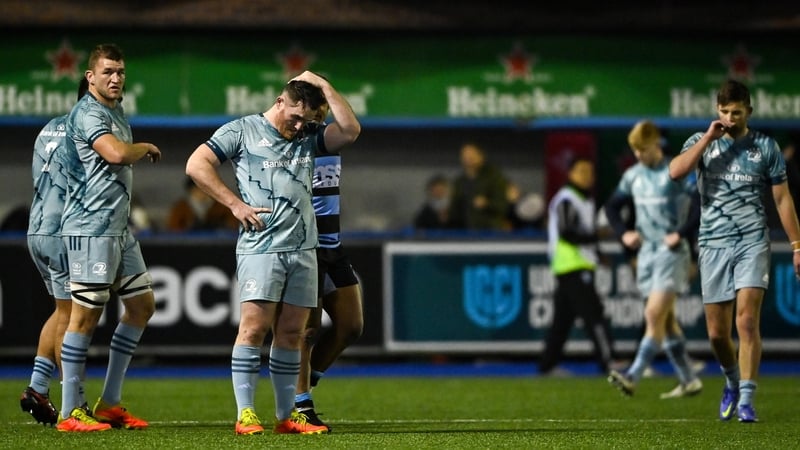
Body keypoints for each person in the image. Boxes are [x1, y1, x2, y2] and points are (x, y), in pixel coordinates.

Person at [185, 70, 360, 435]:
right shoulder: (242, 130)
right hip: (261, 246)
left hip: (304, 248)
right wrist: (234, 204)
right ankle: (246, 413)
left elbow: (350, 130)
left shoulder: (309, 135)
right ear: (280, 101)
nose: (299, 126)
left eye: (306, 119)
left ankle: (287, 416)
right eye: (295, 116)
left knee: (292, 333)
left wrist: (325, 84)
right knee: (252, 329)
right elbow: (196, 164)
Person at [669, 79, 800, 423]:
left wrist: (798, 246)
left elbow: (783, 199)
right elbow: (675, 172)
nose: (730, 117)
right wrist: (710, 138)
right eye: (725, 111)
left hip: (752, 241)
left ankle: (746, 399)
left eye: (736, 112)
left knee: (746, 320)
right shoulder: (701, 142)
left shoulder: (765, 147)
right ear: (717, 111)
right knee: (716, 334)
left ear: (749, 112)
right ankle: (731, 379)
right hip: (712, 243)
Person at [57, 43, 161, 432]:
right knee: (84, 318)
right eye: (108, 72)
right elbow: (115, 154)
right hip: (90, 228)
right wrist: (144, 147)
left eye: (120, 72)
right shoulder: (87, 113)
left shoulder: (115, 111)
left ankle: (109, 403)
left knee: (142, 306)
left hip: (118, 231)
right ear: (90, 77)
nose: (116, 79)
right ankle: (70, 412)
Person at [605, 119, 703, 399]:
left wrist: (682, 234)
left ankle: (632, 375)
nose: (639, 155)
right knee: (667, 320)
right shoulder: (633, 175)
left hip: (671, 253)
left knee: (652, 314)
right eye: (635, 150)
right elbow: (612, 207)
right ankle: (688, 378)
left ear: (656, 144)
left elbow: (698, 204)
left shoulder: (674, 171)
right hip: (647, 254)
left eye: (643, 149)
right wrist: (624, 233)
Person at [19, 78, 89, 426]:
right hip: (64, 231)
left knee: (62, 311)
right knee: (73, 316)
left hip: (37, 226)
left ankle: (37, 387)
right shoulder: (87, 131)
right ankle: (72, 403)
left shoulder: (49, 127)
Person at [295, 103, 364, 432]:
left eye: (324, 104)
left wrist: (324, 89)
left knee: (350, 325)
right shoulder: (292, 140)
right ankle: (299, 405)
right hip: (307, 245)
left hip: (332, 246)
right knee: (307, 331)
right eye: (314, 105)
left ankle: (302, 388)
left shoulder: (328, 137)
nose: (321, 111)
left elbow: (351, 127)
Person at [539, 156, 619, 375]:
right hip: (573, 265)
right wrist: (597, 237)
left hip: (574, 265)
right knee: (595, 315)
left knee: (562, 322)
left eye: (590, 171)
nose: (587, 176)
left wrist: (598, 253)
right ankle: (608, 361)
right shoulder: (566, 198)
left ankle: (547, 366)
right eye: (581, 171)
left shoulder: (584, 199)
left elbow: (582, 232)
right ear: (570, 174)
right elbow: (568, 232)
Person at [448, 142, 510, 231]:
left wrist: (487, 204)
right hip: (466, 234)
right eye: (465, 155)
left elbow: (503, 206)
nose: (468, 158)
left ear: (481, 156)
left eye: (471, 155)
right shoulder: (459, 182)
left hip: (491, 232)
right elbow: (454, 213)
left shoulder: (494, 177)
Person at [165, 176, 239, 232]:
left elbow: (233, 227)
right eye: (197, 189)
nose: (201, 192)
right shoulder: (181, 208)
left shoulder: (221, 206)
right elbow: (173, 229)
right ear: (191, 191)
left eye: (204, 188)